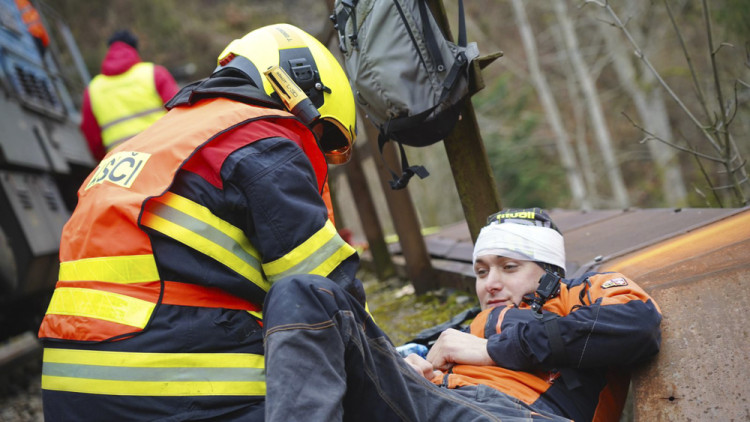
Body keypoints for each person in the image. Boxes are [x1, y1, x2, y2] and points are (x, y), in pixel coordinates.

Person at [38, 23, 359, 421]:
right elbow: (327, 292)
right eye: (321, 133)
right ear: (302, 89)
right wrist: (391, 367)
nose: (314, 150)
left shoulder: (144, 146)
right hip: (169, 396)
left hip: (68, 397)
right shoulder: (259, 140)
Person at [263, 208, 662, 421]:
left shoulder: (581, 293)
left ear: (549, 272)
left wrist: (492, 351)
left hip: (520, 414)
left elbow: (637, 327)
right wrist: (409, 367)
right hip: (438, 404)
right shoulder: (463, 326)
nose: (490, 283)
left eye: (509, 267)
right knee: (303, 292)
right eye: (482, 270)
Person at [79, 29, 179, 161]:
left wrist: (104, 160)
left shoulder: (92, 90)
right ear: (135, 49)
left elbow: (92, 138)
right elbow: (180, 110)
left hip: (121, 166)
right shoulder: (154, 73)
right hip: (163, 153)